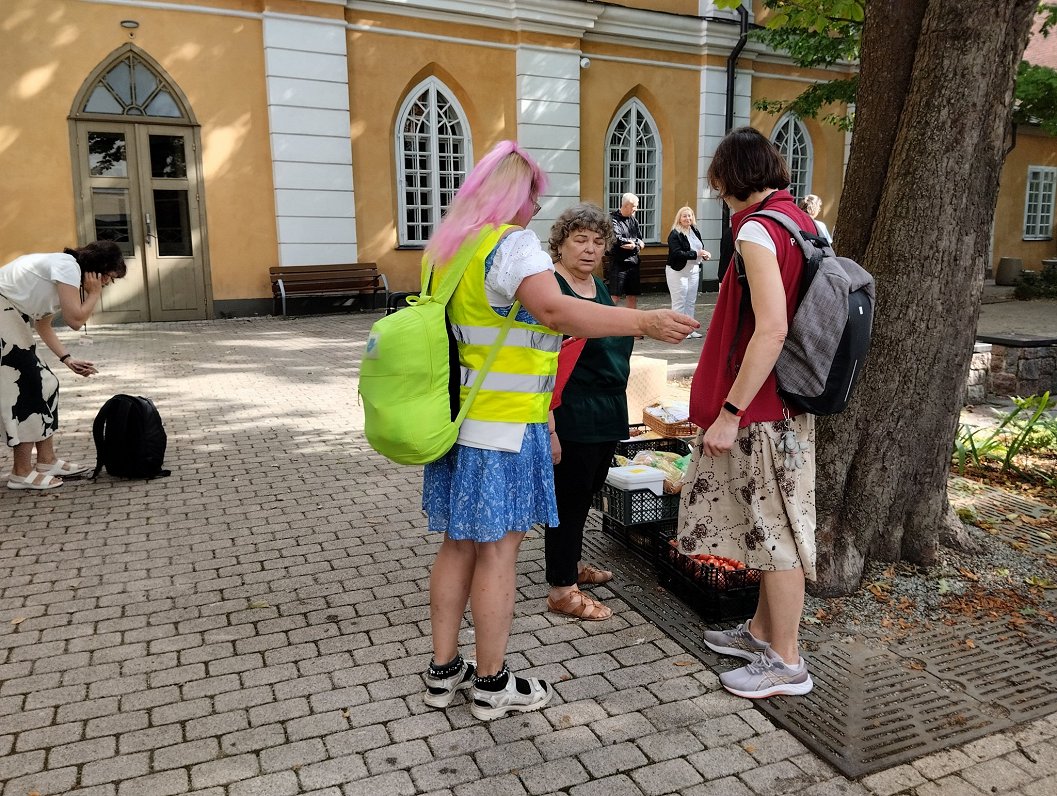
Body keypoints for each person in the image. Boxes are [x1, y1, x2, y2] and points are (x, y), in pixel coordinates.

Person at [421, 142, 697, 721]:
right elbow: (555, 312)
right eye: (532, 195)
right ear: (513, 195)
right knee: (497, 554)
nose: (535, 207)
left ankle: (444, 673)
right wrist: (643, 319)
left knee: (457, 546)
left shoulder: (447, 250)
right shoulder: (511, 244)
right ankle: (493, 685)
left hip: (456, 423)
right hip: (504, 427)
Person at [678, 126, 817, 699]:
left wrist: (731, 410)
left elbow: (773, 327)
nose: (715, 192)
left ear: (730, 177)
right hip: (787, 400)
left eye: (717, 180)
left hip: (761, 406)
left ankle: (786, 663)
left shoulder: (758, 230)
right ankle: (763, 632)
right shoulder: (798, 221)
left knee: (775, 532)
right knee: (772, 526)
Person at [544, 204, 633, 621]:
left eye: (598, 242)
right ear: (560, 244)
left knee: (587, 493)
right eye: (579, 239)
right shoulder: (550, 290)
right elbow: (542, 365)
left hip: (606, 408)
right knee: (568, 498)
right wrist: (550, 426)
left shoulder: (594, 285)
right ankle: (562, 589)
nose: (589, 249)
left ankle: (572, 566)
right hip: (571, 412)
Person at [0, 241, 127, 490]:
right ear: (98, 270)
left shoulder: (63, 276)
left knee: (47, 382)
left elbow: (42, 324)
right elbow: (75, 320)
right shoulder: (68, 266)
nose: (107, 284)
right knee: (27, 388)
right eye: (108, 278)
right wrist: (93, 294)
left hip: (12, 316)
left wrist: (67, 359)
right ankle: (21, 472)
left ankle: (46, 461)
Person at [666, 206, 711, 339]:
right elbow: (677, 253)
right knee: (679, 301)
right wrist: (696, 253)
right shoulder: (675, 233)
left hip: (693, 271)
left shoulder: (695, 231)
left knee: (690, 301)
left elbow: (699, 248)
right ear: (679, 219)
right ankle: (678, 330)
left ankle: (690, 329)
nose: (687, 218)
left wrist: (704, 255)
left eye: (690, 215)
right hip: (678, 271)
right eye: (684, 216)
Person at [607, 193, 644, 309]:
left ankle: (632, 324)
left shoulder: (634, 221)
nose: (636, 209)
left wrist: (635, 244)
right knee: (615, 296)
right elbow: (618, 240)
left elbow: (640, 240)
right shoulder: (612, 219)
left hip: (633, 262)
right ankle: (607, 322)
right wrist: (635, 242)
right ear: (627, 205)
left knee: (632, 295)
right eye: (635, 206)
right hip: (618, 263)